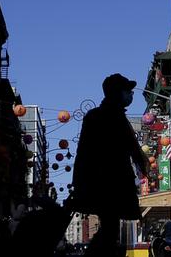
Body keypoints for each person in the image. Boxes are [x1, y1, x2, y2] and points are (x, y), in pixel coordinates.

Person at [72, 73, 148, 257]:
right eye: (127, 91)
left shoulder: (95, 116)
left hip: (97, 182)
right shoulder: (113, 117)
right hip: (112, 181)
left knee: (109, 226)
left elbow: (81, 153)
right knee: (110, 227)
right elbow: (132, 147)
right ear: (117, 93)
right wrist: (141, 165)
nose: (131, 95)